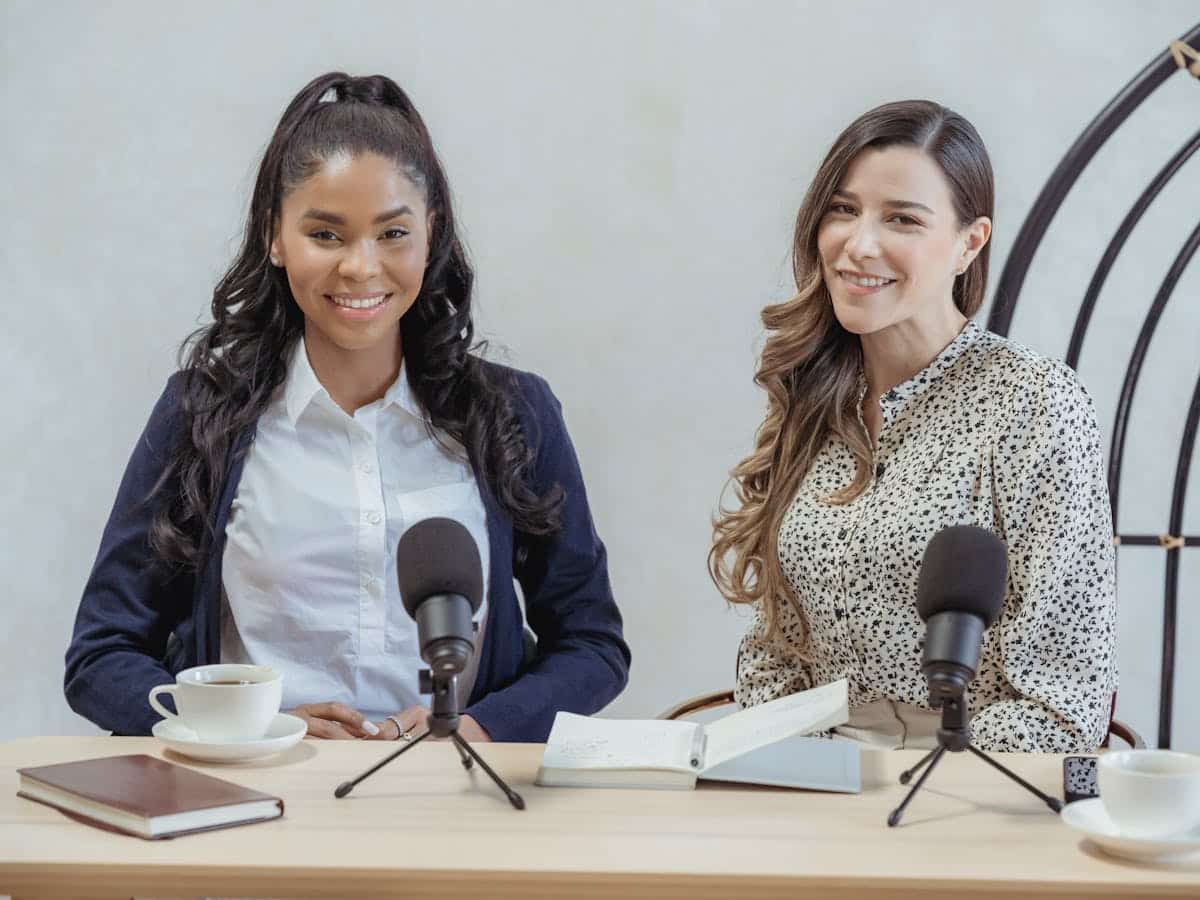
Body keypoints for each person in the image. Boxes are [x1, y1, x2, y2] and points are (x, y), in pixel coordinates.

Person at [65, 72, 629, 744]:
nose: (362, 268)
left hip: (459, 806)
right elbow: (99, 660)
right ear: (275, 236)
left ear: (431, 234)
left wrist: (478, 726)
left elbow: (592, 644)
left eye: (393, 234)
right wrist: (250, 729)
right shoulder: (201, 415)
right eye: (326, 235)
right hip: (254, 809)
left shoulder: (513, 413)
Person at [709, 100, 1116, 753]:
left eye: (901, 218)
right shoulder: (816, 397)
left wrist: (915, 790)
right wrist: (775, 774)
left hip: (968, 789)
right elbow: (776, 653)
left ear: (969, 242)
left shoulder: (1035, 403)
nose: (859, 243)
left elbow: (1062, 701)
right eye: (843, 209)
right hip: (813, 783)